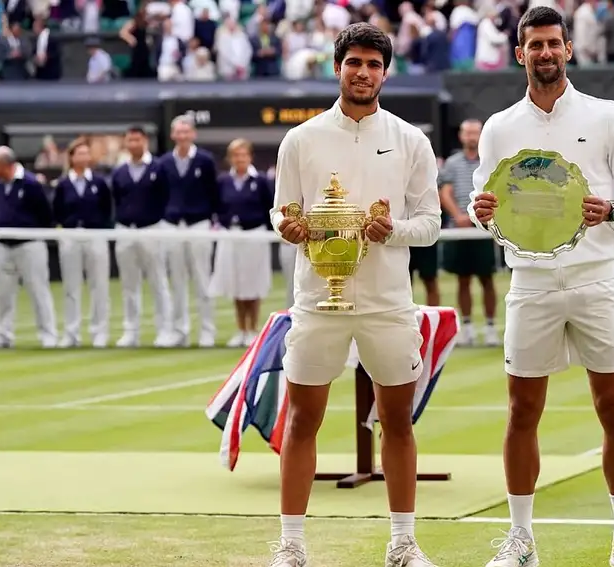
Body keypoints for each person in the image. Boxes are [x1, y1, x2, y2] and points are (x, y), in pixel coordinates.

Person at [468, 7, 614, 567]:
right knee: (522, 410)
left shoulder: (606, 116)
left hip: (598, 277)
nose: (546, 53)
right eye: (536, 45)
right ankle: (520, 540)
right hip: (529, 282)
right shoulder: (500, 127)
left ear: (569, 50)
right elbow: (487, 202)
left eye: (554, 43)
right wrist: (481, 211)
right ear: (520, 54)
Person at [268, 23, 442, 567]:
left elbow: (431, 223)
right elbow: (281, 211)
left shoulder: (412, 140)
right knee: (302, 420)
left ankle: (402, 542)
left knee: (397, 421)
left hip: (388, 301)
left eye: (372, 64)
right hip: (318, 298)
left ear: (385, 72)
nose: (362, 72)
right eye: (353, 63)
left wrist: (390, 230)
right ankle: (292, 546)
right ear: (337, 67)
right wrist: (289, 228)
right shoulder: (301, 139)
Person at [111, 125, 177, 348]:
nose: (133, 144)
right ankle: (131, 331)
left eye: (137, 140)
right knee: (129, 285)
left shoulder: (159, 168)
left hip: (152, 229)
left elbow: (167, 196)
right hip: (126, 230)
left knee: (158, 282)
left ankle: (165, 330)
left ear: (144, 141)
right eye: (129, 140)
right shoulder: (120, 171)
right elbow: (117, 200)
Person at [0, 146, 58, 348]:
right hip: (3, 245)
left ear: (5, 165)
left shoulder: (31, 184)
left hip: (30, 245)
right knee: (4, 293)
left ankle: (48, 334)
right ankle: (3, 335)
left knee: (38, 290)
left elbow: (45, 214)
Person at [160, 114, 220, 348]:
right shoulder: (164, 162)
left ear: (193, 134)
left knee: (202, 280)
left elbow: (213, 193)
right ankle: (179, 331)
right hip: (173, 226)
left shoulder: (205, 161)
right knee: (177, 281)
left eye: (187, 131)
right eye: (179, 132)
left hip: (199, 225)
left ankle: (207, 331)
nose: (183, 136)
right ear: (173, 135)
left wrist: (213, 220)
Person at [439, 118, 500, 347]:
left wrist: (483, 216)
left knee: (487, 278)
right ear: (461, 136)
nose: (472, 137)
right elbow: (445, 191)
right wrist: (458, 216)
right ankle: (467, 327)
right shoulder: (452, 163)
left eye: (476, 133)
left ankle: (491, 327)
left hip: (484, 229)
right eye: (468, 133)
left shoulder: (490, 161)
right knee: (463, 279)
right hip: (460, 229)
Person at [209, 138, 274, 347]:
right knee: (236, 284)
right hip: (231, 236)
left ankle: (253, 329)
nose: (240, 159)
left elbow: (269, 207)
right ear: (230, 159)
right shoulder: (222, 182)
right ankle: (241, 329)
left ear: (250, 157)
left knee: (252, 284)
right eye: (236, 155)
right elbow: (217, 206)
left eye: (243, 155)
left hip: (254, 235)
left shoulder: (261, 181)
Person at [53, 137, 114, 348]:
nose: (84, 157)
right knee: (71, 286)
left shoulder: (99, 182)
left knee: (99, 285)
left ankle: (100, 332)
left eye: (87, 153)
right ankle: (72, 333)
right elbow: (58, 210)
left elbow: (106, 209)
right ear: (71, 157)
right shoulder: (63, 184)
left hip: (95, 235)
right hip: (70, 236)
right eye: (79, 153)